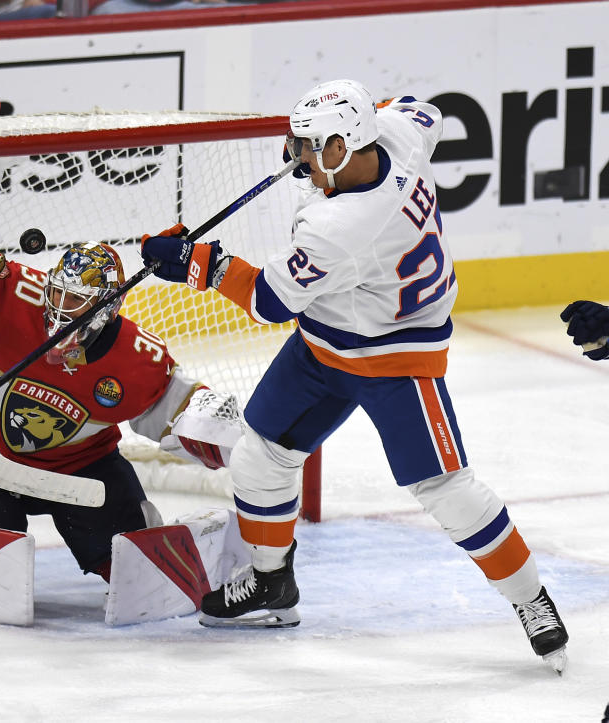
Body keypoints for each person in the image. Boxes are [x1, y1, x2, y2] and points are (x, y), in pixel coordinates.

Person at [141, 79, 569, 672]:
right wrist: (369, 114)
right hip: (326, 339)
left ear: (343, 148)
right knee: (261, 456)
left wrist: (196, 263)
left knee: (446, 489)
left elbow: (267, 301)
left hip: (396, 354)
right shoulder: (401, 134)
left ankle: (533, 601)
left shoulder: (340, 227)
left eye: (310, 148)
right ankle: (272, 584)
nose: (299, 159)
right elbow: (424, 109)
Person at [0, 181, 236, 583]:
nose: (57, 309)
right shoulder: (4, 295)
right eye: (56, 293)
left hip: (83, 473)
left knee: (137, 571)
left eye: (74, 302)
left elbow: (178, 409)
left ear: (108, 308)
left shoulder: (135, 358)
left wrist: (212, 427)